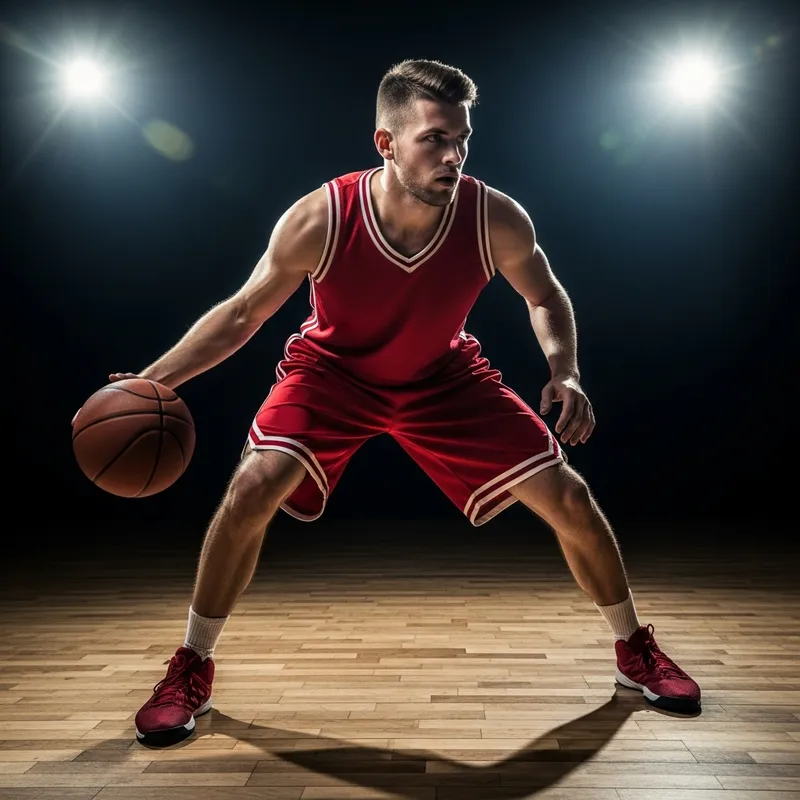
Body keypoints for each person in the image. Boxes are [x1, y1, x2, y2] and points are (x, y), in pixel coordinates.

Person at [96, 59, 700, 746]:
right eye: (434, 140)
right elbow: (241, 316)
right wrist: (147, 383)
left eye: (462, 139)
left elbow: (545, 295)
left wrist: (566, 371)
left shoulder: (492, 215)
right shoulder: (321, 216)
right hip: (332, 375)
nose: (454, 155)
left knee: (569, 497)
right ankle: (191, 664)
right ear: (386, 143)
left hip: (443, 378)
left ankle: (633, 651)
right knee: (252, 485)